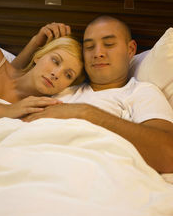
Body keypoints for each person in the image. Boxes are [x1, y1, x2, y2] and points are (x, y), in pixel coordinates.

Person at [14, 17, 173, 174]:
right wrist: (35, 43)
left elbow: (168, 154)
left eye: (109, 44)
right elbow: (6, 83)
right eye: (89, 47)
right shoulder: (63, 83)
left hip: (78, 171)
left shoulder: (141, 92)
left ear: (130, 49)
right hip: (23, 157)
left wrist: (86, 113)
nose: (98, 53)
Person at [0, 34, 84, 119]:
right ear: (38, 56)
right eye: (55, 61)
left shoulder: (39, 112)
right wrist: (7, 110)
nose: (56, 74)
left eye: (68, 75)